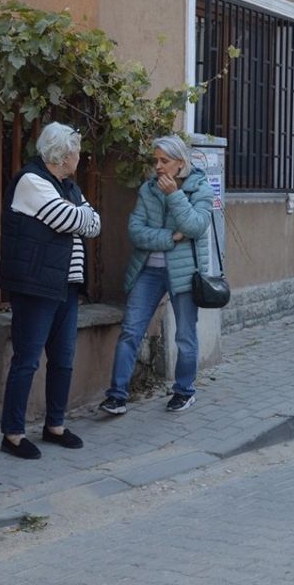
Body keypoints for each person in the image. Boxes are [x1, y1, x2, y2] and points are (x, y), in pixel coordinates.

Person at [0, 122, 101, 460]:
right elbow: (66, 220)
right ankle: (12, 434)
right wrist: (80, 215)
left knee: (63, 360)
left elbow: (95, 224)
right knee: (27, 361)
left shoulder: (68, 186)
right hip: (35, 287)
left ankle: (54, 425)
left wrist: (80, 215)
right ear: (63, 154)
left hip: (65, 287)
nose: (80, 157)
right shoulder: (31, 181)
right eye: (76, 151)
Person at [98, 135, 214, 416]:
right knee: (130, 331)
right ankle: (117, 396)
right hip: (149, 271)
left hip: (184, 273)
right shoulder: (148, 189)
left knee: (185, 335)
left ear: (180, 162)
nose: (158, 166)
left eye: (164, 160)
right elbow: (136, 231)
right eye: (156, 160)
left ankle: (184, 391)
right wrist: (170, 237)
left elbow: (196, 226)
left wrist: (174, 195)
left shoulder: (200, 187)